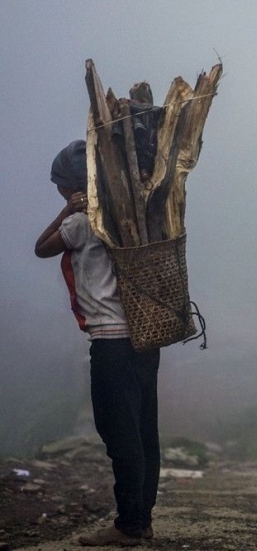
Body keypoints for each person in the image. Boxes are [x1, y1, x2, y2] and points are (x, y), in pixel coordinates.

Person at [35, 140, 161, 547]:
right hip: (143, 335)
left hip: (110, 341)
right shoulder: (129, 214)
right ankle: (142, 518)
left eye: (60, 186)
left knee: (118, 430)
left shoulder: (83, 221)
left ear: (73, 184)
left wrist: (68, 209)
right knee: (143, 429)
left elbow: (41, 247)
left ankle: (128, 525)